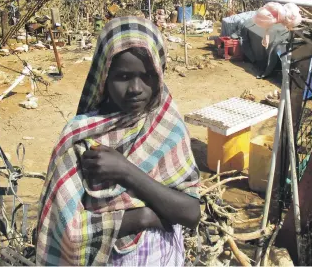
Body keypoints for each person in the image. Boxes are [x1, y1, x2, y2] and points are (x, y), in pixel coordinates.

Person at [36, 16, 201, 266]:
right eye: (123, 76)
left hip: (163, 256)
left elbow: (190, 212)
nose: (136, 88)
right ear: (103, 76)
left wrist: (126, 172)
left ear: (159, 72)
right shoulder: (81, 136)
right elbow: (65, 228)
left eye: (147, 76)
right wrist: (142, 218)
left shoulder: (168, 124)